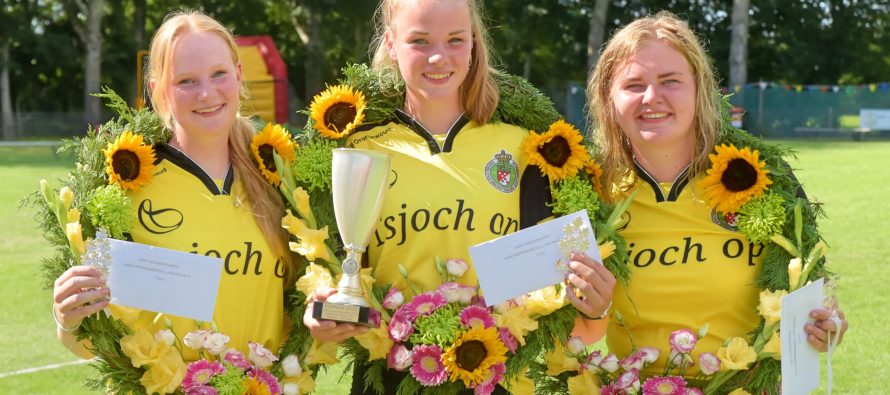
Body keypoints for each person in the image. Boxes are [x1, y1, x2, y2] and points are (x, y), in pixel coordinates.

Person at [302, 0, 614, 393]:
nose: (438, 56)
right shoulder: (358, 148)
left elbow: (554, 275)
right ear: (391, 43)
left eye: (454, 40)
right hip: (387, 378)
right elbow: (335, 267)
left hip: (494, 375)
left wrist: (592, 296)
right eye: (419, 40)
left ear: (473, 46)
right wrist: (327, 307)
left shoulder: (524, 147)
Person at [586, 11, 848, 383]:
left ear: (700, 89)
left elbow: (814, 298)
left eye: (670, 81)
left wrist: (827, 325)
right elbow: (576, 331)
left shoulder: (759, 177)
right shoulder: (591, 193)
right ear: (608, 98)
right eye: (633, 85)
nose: (651, 97)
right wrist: (593, 310)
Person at [51, 11, 296, 361]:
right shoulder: (125, 186)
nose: (207, 93)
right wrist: (67, 320)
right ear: (158, 91)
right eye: (187, 81)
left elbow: (303, 310)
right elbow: (90, 340)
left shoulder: (277, 177)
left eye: (218, 74)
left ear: (239, 75)